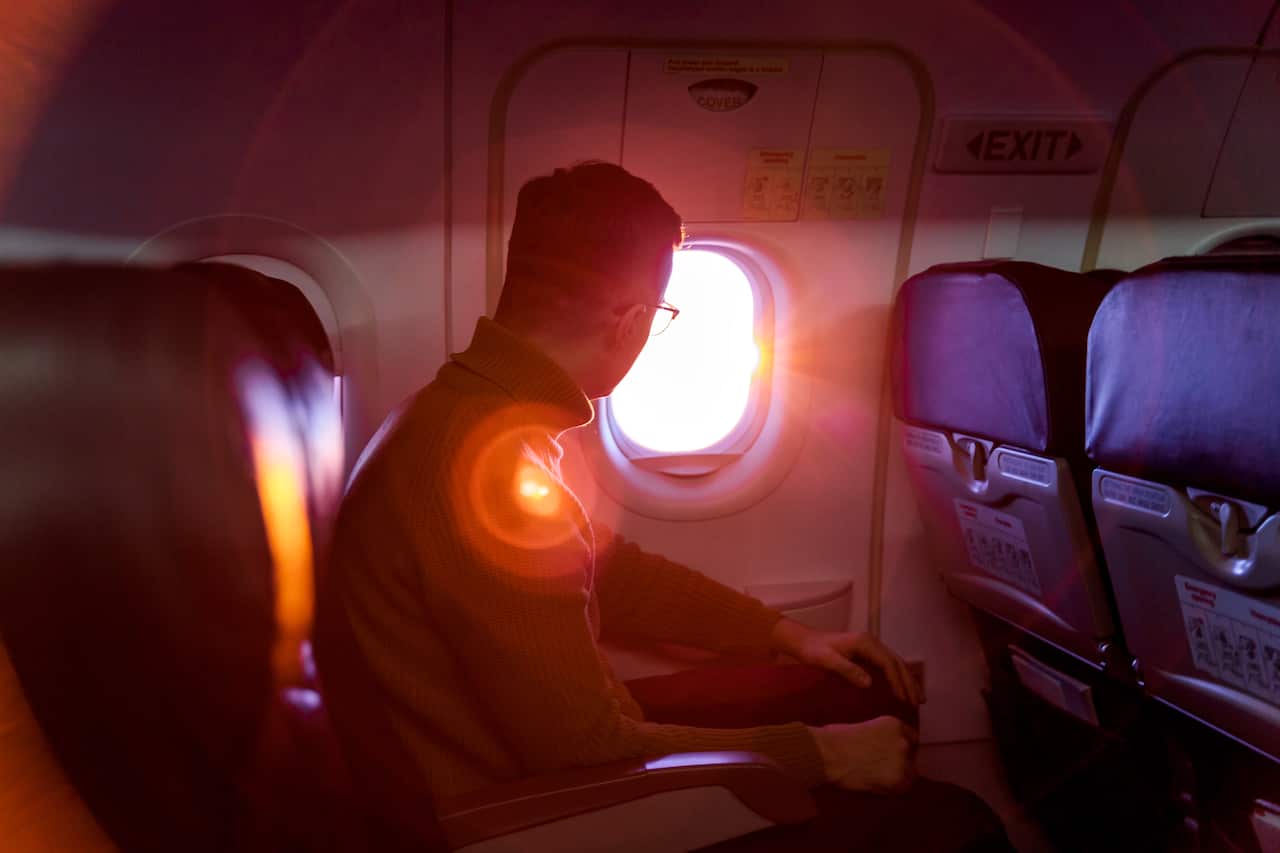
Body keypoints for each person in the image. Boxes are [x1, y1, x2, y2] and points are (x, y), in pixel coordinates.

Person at [321, 162, 1012, 851]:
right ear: (627, 323)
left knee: (854, 690)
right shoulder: (487, 469)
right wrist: (827, 757)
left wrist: (785, 632)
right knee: (956, 827)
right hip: (526, 817)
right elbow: (587, 750)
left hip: (551, 763)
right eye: (660, 317)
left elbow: (612, 573)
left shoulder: (465, 417)